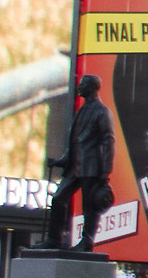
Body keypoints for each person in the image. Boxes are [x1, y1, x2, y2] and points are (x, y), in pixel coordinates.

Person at [44, 74, 115, 251]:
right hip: (74, 167)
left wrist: (105, 171)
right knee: (59, 198)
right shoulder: (82, 111)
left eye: (82, 84)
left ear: (91, 87)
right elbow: (77, 142)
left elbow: (109, 140)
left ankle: (87, 241)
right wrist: (60, 162)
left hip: (91, 167)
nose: (79, 87)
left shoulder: (101, 111)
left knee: (89, 207)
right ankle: (54, 240)